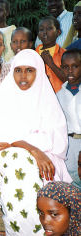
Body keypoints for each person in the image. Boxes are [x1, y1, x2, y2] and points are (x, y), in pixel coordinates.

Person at [0, 49, 72, 235]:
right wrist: (32, 148)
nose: (23, 76)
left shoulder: (47, 100)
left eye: (29, 70)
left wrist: (14, 141)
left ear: (39, 72)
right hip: (11, 171)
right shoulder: (4, 97)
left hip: (44, 166)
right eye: (18, 70)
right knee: (17, 160)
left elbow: (57, 141)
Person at [57, 49, 81, 188]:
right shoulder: (59, 95)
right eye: (66, 67)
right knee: (72, 179)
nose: (70, 71)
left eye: (75, 66)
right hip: (69, 144)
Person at [36, 16, 67, 93]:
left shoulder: (65, 54)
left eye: (49, 28)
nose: (45, 32)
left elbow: (68, 79)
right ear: (38, 35)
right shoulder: (33, 55)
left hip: (59, 98)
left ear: (58, 32)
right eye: (41, 29)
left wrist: (51, 64)